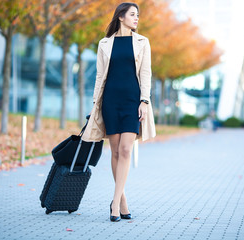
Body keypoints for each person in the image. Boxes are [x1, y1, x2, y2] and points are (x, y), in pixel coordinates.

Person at [81, 2, 156, 222]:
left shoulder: (142, 42)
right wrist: (96, 103)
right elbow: (99, 75)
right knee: (114, 152)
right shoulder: (105, 43)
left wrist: (144, 100)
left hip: (132, 101)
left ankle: (114, 203)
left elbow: (146, 74)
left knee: (125, 150)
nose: (136, 18)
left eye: (138, 15)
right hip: (111, 101)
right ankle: (122, 200)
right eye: (132, 14)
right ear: (121, 17)